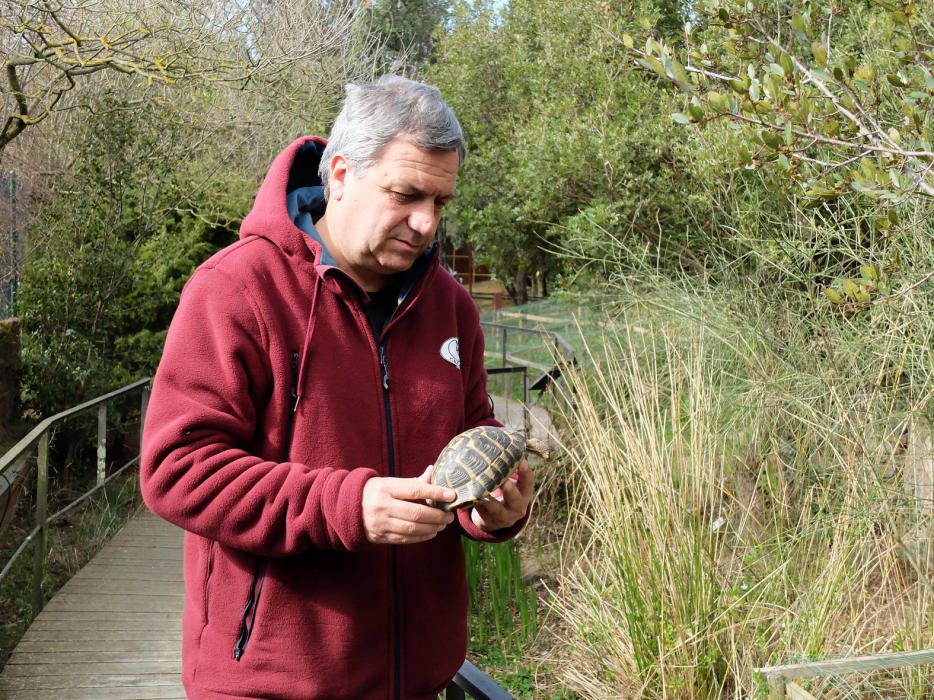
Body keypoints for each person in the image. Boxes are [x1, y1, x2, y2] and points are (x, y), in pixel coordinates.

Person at [140, 74, 534, 700]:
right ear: (343, 174)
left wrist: (494, 505)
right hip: (273, 681)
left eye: (441, 202)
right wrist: (348, 507)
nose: (426, 222)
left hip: (420, 678)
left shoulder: (451, 306)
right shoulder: (237, 289)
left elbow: (473, 429)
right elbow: (176, 469)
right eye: (406, 194)